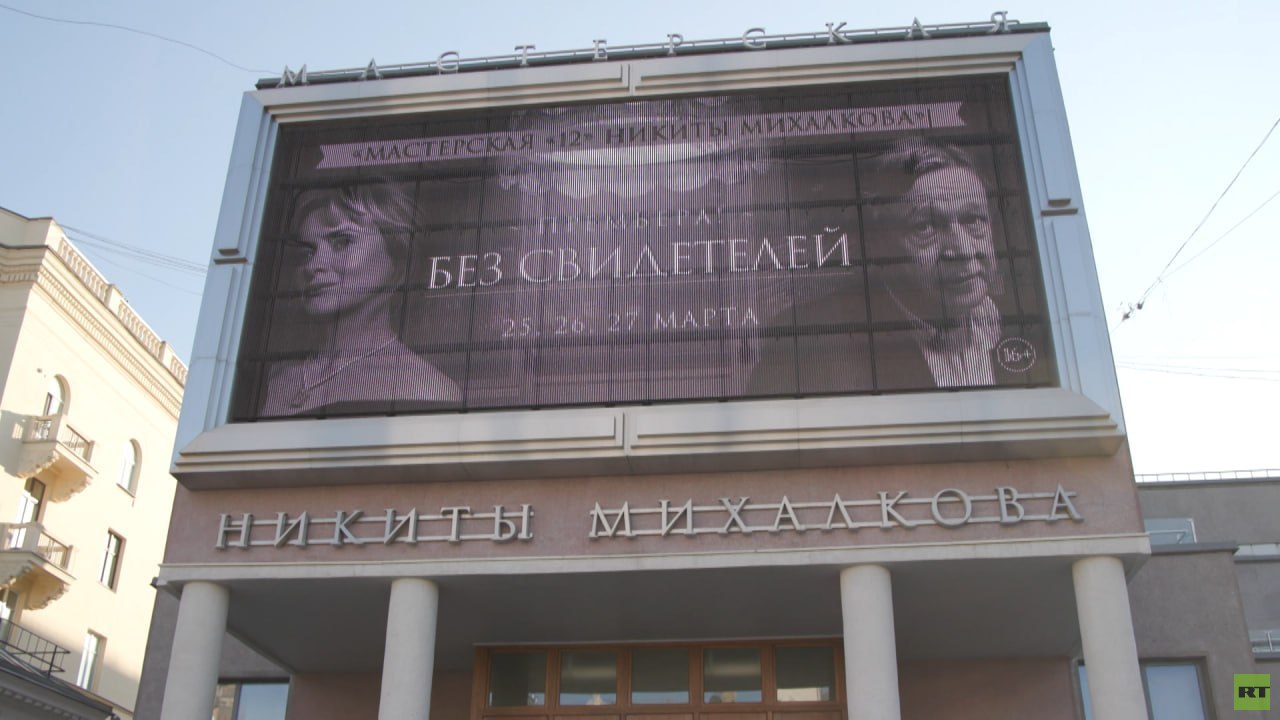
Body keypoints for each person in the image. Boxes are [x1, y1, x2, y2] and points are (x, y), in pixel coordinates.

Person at [259, 180, 461, 416]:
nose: (313, 265)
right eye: (307, 252)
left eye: (342, 242)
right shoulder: (273, 378)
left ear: (397, 257)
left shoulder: (426, 387)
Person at [861, 138, 1008, 390]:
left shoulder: (1021, 323)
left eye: (973, 220)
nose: (963, 251)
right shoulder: (839, 347)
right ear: (878, 242)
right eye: (925, 226)